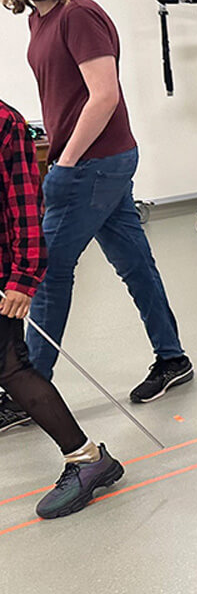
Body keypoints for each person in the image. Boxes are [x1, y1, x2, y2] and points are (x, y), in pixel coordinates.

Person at [0, 0, 191, 422]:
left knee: (44, 272)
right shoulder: (39, 21)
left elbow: (103, 95)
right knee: (135, 264)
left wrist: (63, 164)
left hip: (92, 164)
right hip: (94, 160)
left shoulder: (78, 15)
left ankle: (29, 389)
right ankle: (173, 358)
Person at [0, 97, 124, 518]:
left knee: (10, 366)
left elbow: (27, 210)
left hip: (5, 273)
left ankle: (87, 459)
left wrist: (23, 278)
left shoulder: (5, 125)